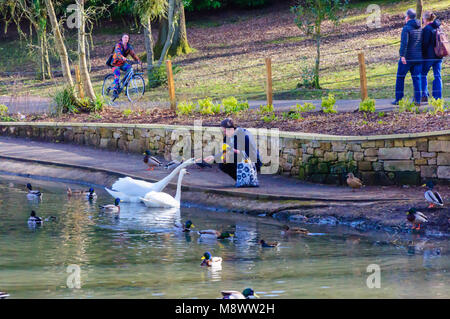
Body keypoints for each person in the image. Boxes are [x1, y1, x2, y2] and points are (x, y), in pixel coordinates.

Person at [392, 9, 423, 106]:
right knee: (417, 79)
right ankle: (417, 100)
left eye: (405, 16)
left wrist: (402, 55)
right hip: (418, 58)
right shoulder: (420, 28)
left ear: (408, 17)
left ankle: (399, 99)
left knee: (400, 77)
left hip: (408, 58)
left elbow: (404, 43)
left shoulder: (406, 28)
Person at [421, 11, 443, 101]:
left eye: (423, 19)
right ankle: (437, 97)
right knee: (437, 76)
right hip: (439, 55)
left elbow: (425, 44)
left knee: (422, 74)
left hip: (429, 57)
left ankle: (424, 94)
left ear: (425, 19)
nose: (422, 20)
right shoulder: (439, 27)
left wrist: (422, 54)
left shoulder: (427, 29)